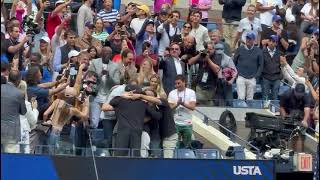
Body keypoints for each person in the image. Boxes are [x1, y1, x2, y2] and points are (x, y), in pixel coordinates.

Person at [101, 84, 161, 157]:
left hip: (123, 131)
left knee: (119, 156)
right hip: (136, 131)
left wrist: (122, 96)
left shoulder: (119, 101)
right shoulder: (143, 103)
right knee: (135, 156)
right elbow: (158, 116)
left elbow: (108, 104)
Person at [88, 46, 120, 128]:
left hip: (108, 96)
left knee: (106, 120)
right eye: (105, 52)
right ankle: (92, 138)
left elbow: (117, 83)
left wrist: (109, 76)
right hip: (96, 94)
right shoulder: (94, 62)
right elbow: (90, 78)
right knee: (94, 121)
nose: (107, 54)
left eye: (109, 53)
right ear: (101, 53)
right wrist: (100, 74)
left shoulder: (115, 66)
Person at [1, 70, 27, 153]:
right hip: (11, 131)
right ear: (19, 80)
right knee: (10, 156)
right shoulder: (19, 94)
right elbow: (23, 112)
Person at [168, 75, 196, 148]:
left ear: (184, 82)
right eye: (176, 84)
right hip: (175, 122)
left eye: (179, 83)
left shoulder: (191, 92)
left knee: (187, 145)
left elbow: (192, 107)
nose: (177, 85)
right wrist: (177, 104)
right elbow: (170, 108)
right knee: (175, 144)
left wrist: (183, 103)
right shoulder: (172, 93)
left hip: (187, 122)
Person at [234, 32, 264, 100]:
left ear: (254, 40)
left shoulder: (258, 51)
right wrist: (236, 74)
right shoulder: (239, 49)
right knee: (240, 98)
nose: (248, 40)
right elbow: (234, 63)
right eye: (247, 38)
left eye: (250, 39)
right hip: (241, 76)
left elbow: (261, 65)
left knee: (250, 98)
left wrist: (256, 76)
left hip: (252, 78)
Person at [17, 80, 38, 153]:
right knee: (24, 155)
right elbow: (33, 121)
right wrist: (34, 109)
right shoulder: (26, 104)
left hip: (10, 133)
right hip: (22, 133)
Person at [261, 35, 283, 100]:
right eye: (270, 41)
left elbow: (282, 66)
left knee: (275, 98)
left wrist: (280, 77)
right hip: (265, 77)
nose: (271, 43)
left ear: (276, 43)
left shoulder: (280, 53)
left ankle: (274, 110)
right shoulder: (262, 52)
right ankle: (264, 110)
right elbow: (260, 65)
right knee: (265, 97)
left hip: (276, 78)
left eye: (273, 41)